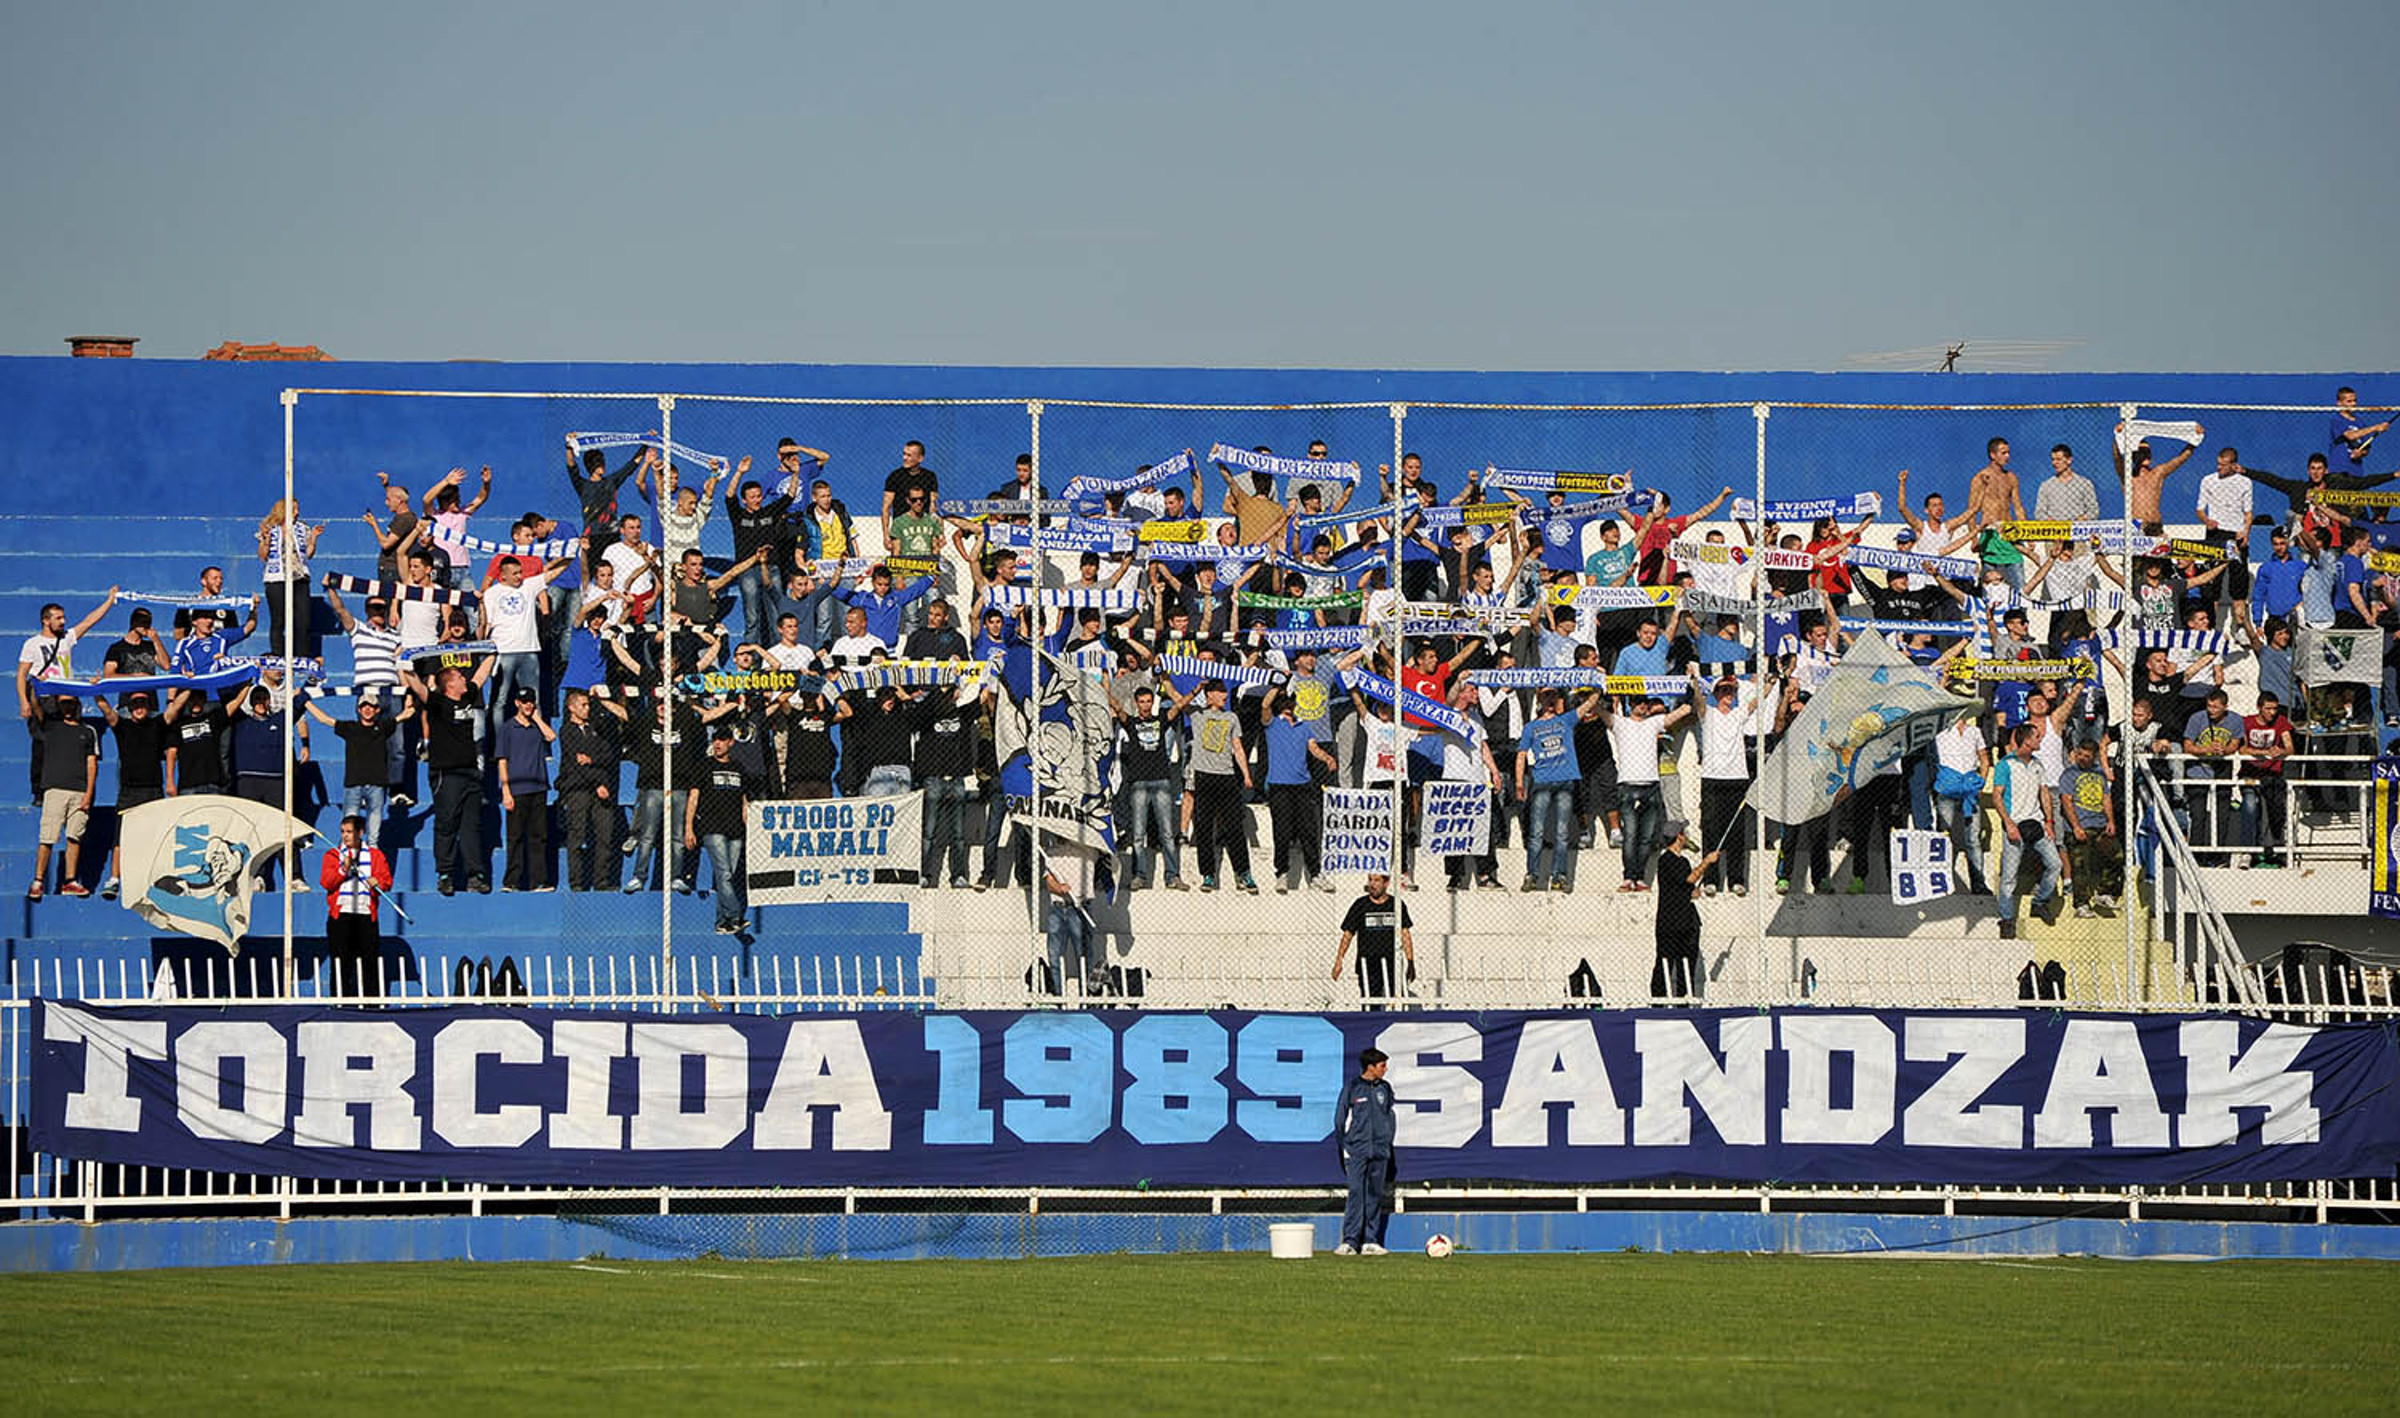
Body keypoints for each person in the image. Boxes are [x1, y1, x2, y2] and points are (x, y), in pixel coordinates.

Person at [401, 656, 496, 895]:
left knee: (472, 826)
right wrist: (404, 663)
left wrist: (492, 651)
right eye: (459, 676)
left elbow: (481, 675)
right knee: (446, 824)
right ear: (449, 684)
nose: (465, 678)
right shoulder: (437, 702)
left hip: (470, 773)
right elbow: (417, 686)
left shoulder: (468, 696)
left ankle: (475, 875)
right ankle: (445, 874)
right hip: (446, 773)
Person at [686, 724, 759, 936]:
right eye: (714, 740)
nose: (717, 744)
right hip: (712, 828)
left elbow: (745, 799)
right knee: (725, 873)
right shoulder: (704, 766)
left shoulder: (739, 767)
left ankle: (722, 922)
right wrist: (689, 827)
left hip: (735, 829)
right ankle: (736, 916)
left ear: (731, 742)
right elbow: (694, 797)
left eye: (722, 740)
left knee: (727, 876)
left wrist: (748, 824)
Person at [1991, 725, 2060, 937]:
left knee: (2054, 864)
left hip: (2037, 823)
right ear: (2027, 741)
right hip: (2016, 825)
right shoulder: (2006, 765)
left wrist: (2049, 821)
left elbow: (2044, 792)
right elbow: (1997, 796)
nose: (2040, 740)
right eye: (2037, 737)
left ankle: (2040, 902)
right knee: (2009, 876)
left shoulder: (2038, 764)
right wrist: (2008, 823)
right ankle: (2006, 918)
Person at [27, 696, 99, 899]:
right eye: (64, 703)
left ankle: (70, 881)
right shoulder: (50, 726)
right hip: (54, 790)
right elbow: (36, 707)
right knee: (47, 837)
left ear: (78, 705)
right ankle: (38, 881)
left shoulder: (88, 731)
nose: (68, 706)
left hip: (79, 792)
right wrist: (34, 688)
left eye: (71, 702)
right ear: (59, 705)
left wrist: (88, 794)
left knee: (74, 837)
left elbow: (92, 764)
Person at [319, 814, 394, 999]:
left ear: (360, 832)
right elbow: (326, 882)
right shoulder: (333, 855)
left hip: (366, 914)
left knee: (369, 962)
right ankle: (340, 1001)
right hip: (341, 915)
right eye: (343, 832)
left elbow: (387, 881)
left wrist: (378, 882)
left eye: (349, 832)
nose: (345, 836)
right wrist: (342, 869)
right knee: (340, 962)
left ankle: (371, 1003)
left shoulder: (375, 855)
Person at [1333, 1046, 1397, 1257]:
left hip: (1379, 1151)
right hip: (1356, 1151)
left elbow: (1389, 1116)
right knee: (1355, 1194)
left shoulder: (1385, 1088)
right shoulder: (1352, 1087)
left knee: (1374, 1196)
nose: (1385, 1069)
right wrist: (1346, 1147)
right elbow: (1340, 1120)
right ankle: (1350, 1241)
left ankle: (1370, 1240)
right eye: (1382, 1066)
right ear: (1370, 1067)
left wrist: (1386, 1142)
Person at [495, 685, 557, 891]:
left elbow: (552, 736)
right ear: (517, 704)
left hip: (538, 787)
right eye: (524, 702)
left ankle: (538, 880)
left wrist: (538, 719)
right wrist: (505, 790)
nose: (528, 705)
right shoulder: (507, 728)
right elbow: (502, 760)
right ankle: (511, 881)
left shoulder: (537, 727)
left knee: (538, 837)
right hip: (517, 788)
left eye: (531, 701)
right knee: (515, 837)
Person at [1651, 820, 1717, 1000]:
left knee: (1686, 962)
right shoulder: (1666, 860)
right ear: (1679, 837)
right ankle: (1658, 1000)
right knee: (1665, 961)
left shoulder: (1683, 861)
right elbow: (1688, 879)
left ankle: (1684, 996)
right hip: (1670, 922)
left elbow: (1685, 887)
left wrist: (1693, 891)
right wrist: (1706, 862)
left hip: (1686, 921)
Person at [1331, 871, 1415, 1006]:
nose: (1372, 884)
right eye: (1370, 880)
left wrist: (1410, 962)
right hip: (1368, 961)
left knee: (1394, 1001)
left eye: (1377, 881)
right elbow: (1348, 934)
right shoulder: (1360, 905)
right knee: (1370, 1001)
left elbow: (1405, 933)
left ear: (1386, 883)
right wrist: (1339, 960)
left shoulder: (1396, 904)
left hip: (1391, 961)